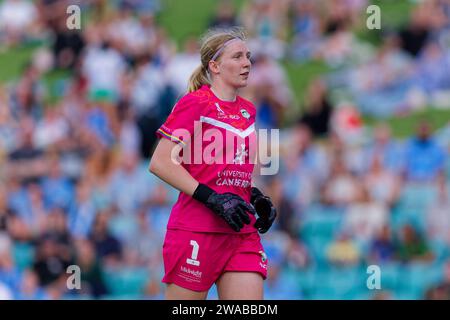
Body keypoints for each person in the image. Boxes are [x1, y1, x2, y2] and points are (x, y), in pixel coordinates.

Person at [149, 27, 277, 300]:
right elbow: (160, 162)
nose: (247, 63)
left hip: (239, 230)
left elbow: (226, 169)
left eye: (248, 56)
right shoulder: (195, 103)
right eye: (238, 57)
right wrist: (212, 199)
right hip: (197, 229)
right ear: (215, 66)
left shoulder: (247, 110)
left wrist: (253, 196)